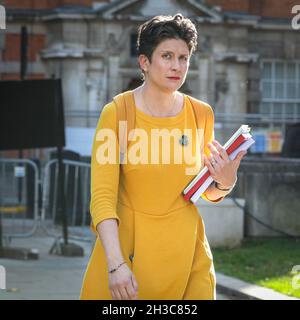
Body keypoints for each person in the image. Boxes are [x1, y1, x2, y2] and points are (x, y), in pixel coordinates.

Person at [80, 13, 246, 300]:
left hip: (188, 257)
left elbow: (203, 190)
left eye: (183, 58)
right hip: (128, 260)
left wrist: (225, 181)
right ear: (144, 62)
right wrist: (115, 263)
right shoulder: (117, 113)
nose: (177, 66)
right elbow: (102, 198)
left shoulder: (200, 114)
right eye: (167, 56)